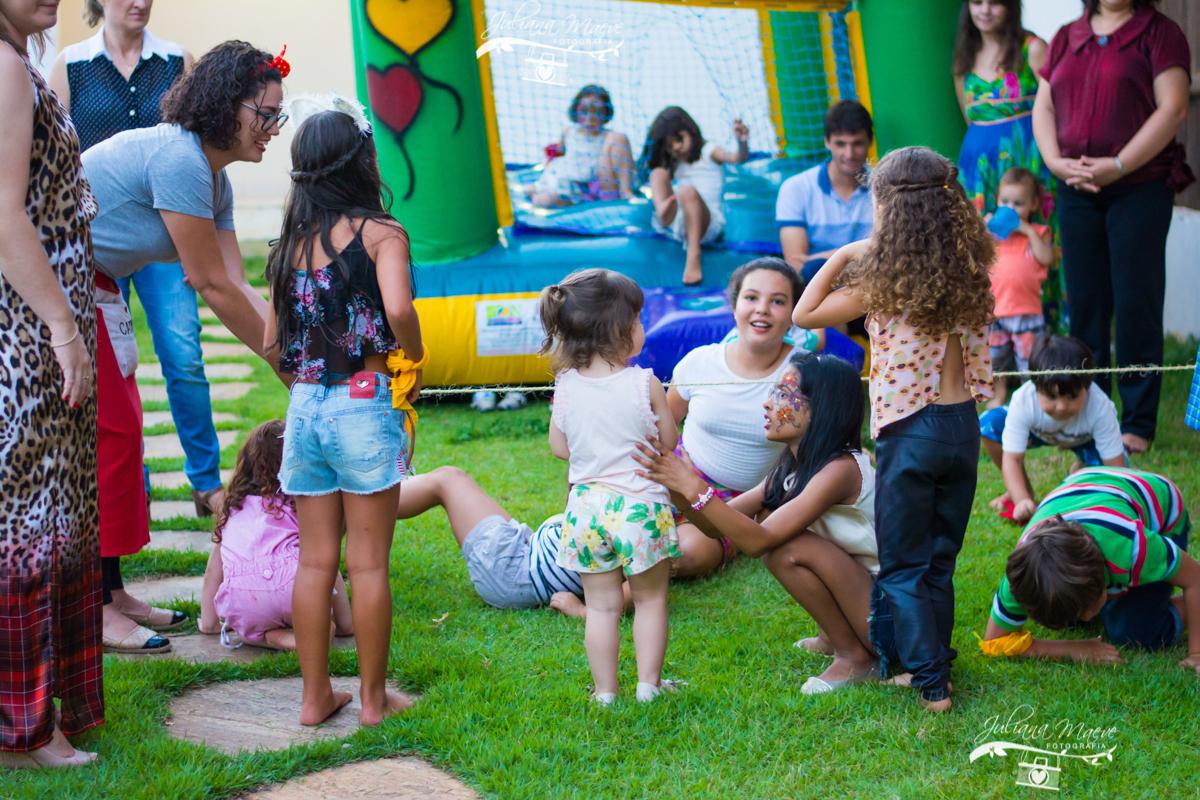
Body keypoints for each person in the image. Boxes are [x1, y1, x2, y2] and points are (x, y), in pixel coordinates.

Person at [81, 40, 287, 655]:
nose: (274, 129)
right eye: (265, 114)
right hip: (57, 282)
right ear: (227, 107)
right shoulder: (180, 159)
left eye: (278, 116)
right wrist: (290, 368)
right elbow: (210, 283)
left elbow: (239, 283)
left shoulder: (213, 179)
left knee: (122, 431)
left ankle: (112, 593)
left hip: (95, 283)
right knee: (108, 435)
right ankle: (94, 606)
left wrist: (292, 354)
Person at [794, 146, 996, 712]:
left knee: (904, 566)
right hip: (962, 428)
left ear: (888, 208)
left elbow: (804, 315)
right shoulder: (970, 273)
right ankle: (936, 660)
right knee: (939, 561)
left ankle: (931, 684)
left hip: (911, 432)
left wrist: (843, 253)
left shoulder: (886, 283)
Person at [266, 96, 423, 727]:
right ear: (360, 161)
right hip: (363, 400)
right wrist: (414, 354)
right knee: (369, 563)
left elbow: (274, 345)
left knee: (315, 562)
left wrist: (305, 385)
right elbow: (400, 309)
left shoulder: (288, 245)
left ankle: (314, 699)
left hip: (305, 405)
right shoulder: (383, 234)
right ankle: (373, 702)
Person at [48, 1, 227, 520]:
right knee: (113, 369)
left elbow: (198, 142)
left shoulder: (177, 60)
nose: (140, 2)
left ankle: (206, 483)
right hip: (99, 241)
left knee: (183, 355)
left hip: (167, 235)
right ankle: (132, 486)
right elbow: (56, 153)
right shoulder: (70, 64)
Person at [636, 352, 880, 695]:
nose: (767, 404)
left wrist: (695, 488)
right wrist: (677, 488)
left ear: (822, 409)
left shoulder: (841, 470)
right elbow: (717, 527)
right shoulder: (791, 468)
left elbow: (758, 541)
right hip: (864, 604)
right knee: (773, 531)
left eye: (783, 394)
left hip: (892, 618)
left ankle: (854, 655)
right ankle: (833, 637)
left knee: (785, 545)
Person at [0, 1, 102, 769]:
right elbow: (5, 216)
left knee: (45, 514)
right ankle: (26, 729)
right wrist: (63, 329)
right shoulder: (7, 70)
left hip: (34, 317)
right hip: (29, 329)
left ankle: (37, 718)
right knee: (33, 522)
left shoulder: (21, 62)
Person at [1032, 0, 1193, 455]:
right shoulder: (1067, 35)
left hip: (1138, 188)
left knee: (1136, 300)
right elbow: (1044, 107)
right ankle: (1086, 412)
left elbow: (1173, 109)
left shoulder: (1159, 33)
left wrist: (1118, 165)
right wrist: (1054, 162)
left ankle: (1137, 422)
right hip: (1075, 188)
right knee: (1085, 304)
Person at [541, 269, 680, 705]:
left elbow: (559, 448)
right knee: (651, 599)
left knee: (601, 607)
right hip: (640, 508)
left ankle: (605, 692)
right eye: (638, 319)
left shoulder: (565, 386)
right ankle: (649, 686)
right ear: (620, 329)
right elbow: (669, 441)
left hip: (585, 511)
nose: (642, 327)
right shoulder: (644, 383)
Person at [666, 258, 822, 578]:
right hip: (680, 475)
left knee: (689, 554)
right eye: (751, 297)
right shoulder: (699, 362)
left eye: (777, 301)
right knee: (620, 526)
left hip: (744, 500)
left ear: (794, 314)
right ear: (734, 305)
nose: (762, 309)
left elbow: (822, 445)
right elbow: (662, 430)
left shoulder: (806, 373)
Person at [982, 468, 1200, 678]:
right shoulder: (1024, 577)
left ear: (1101, 573)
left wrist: (1196, 654)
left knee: (1135, 632)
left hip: (1161, 508)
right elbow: (994, 642)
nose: (1088, 618)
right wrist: (1075, 649)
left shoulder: (1131, 546)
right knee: (1060, 608)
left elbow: (1195, 578)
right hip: (1087, 488)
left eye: (1091, 604)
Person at [198, 421, 354, 649]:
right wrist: (345, 625)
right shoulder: (297, 506)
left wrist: (210, 623)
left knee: (245, 630)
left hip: (243, 598)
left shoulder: (232, 511)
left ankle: (272, 637)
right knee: (320, 560)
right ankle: (324, 630)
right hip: (294, 590)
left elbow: (213, 572)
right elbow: (324, 561)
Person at [394, 467, 588, 612]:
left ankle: (376, 501)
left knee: (447, 480)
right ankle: (382, 490)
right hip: (529, 554)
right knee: (451, 477)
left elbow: (560, 445)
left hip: (518, 573)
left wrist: (581, 611)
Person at [980, 335, 1126, 524]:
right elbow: (1012, 459)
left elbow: (1117, 471)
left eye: (1072, 396)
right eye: (1051, 396)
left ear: (1087, 387)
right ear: (1035, 386)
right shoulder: (1023, 400)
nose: (1061, 407)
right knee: (988, 423)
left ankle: (1083, 470)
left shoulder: (1101, 408)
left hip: (1087, 441)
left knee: (1103, 484)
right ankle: (1022, 487)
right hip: (1036, 433)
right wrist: (1022, 500)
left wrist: (1116, 501)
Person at [641, 107, 749, 285]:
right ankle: (663, 212)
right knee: (657, 173)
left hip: (705, 223)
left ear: (690, 130)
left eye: (679, 139)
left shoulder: (709, 151)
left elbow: (736, 158)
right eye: (669, 146)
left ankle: (693, 254)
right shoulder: (675, 165)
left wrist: (742, 143)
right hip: (679, 221)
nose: (676, 148)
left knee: (687, 191)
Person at [776, 100, 875, 287]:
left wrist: (828, 256)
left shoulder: (885, 188)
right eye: (840, 144)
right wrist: (862, 253)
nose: (849, 154)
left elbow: (894, 255)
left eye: (857, 143)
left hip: (875, 287)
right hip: (819, 291)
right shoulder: (795, 188)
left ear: (870, 141)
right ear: (827, 142)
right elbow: (798, 266)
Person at [984, 167, 1053, 407]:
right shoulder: (993, 236)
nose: (1010, 209)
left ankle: (1030, 397)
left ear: (1033, 205)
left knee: (1028, 359)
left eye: (1018, 204)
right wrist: (984, 229)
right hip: (995, 310)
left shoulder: (1039, 233)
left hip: (1026, 311)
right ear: (996, 201)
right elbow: (974, 254)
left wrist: (1027, 230)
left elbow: (1046, 258)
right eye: (1005, 202)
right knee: (996, 359)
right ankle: (999, 395)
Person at [531, 84, 634, 207]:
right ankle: (535, 193)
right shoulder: (568, 132)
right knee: (544, 200)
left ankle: (626, 193)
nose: (590, 117)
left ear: (605, 113)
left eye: (597, 111)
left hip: (595, 184)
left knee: (619, 137)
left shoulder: (609, 137)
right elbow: (559, 155)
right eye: (584, 111)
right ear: (576, 111)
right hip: (570, 184)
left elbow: (620, 158)